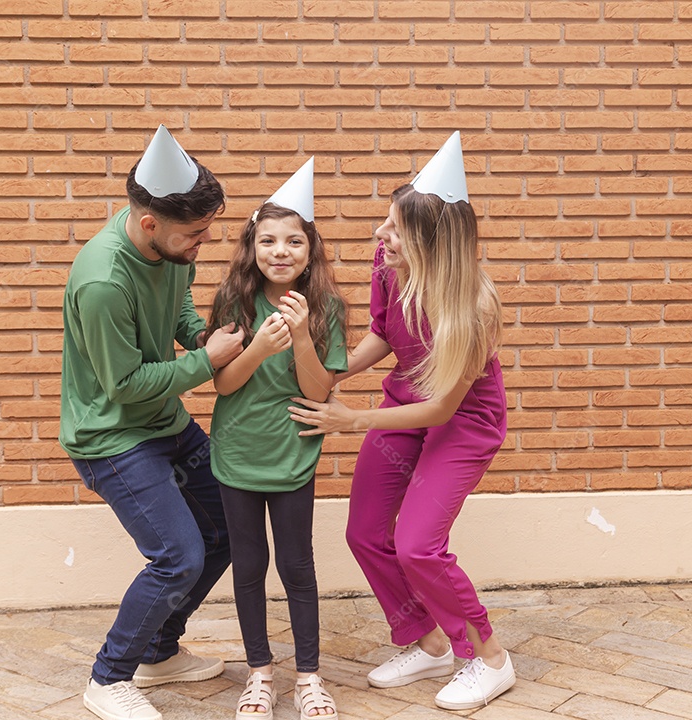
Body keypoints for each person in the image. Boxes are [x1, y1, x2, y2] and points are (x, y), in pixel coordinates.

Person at [288, 132, 515, 710]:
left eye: (394, 229)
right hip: (403, 405)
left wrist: (352, 419)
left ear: (431, 241)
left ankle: (486, 657)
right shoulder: (390, 267)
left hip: (462, 421)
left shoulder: (475, 306)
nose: (379, 236)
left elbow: (442, 408)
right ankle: (428, 640)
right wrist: (329, 372)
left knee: (418, 544)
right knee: (365, 532)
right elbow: (386, 336)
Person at [60, 125, 246, 720]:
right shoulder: (103, 281)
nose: (202, 244)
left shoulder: (169, 248)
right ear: (148, 224)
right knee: (178, 555)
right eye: (194, 234)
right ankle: (109, 677)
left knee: (227, 530)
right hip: (111, 435)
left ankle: (159, 652)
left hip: (162, 422)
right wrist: (206, 360)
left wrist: (197, 334)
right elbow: (125, 384)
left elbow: (181, 302)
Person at [206, 159, 347, 720]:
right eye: (268, 240)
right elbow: (222, 382)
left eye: (293, 240)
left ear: (310, 250)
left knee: (297, 566)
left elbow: (319, 390)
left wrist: (304, 334)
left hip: (292, 455)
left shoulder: (326, 307)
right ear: (252, 247)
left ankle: (309, 676)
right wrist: (260, 348)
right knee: (247, 566)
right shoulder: (233, 301)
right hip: (237, 453)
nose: (280, 251)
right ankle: (259, 673)